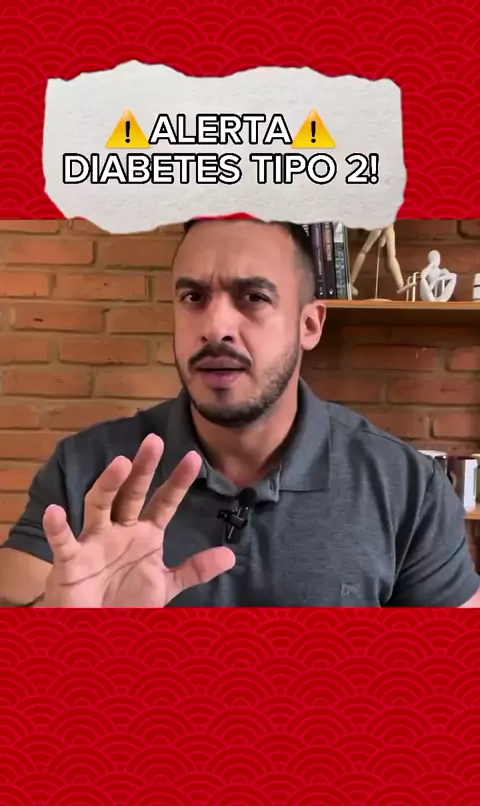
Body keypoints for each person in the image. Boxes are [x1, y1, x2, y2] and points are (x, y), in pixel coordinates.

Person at [0, 217, 479, 608]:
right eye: (193, 298)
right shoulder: (87, 469)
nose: (215, 326)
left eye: (254, 297)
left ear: (309, 324)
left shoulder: (406, 487)